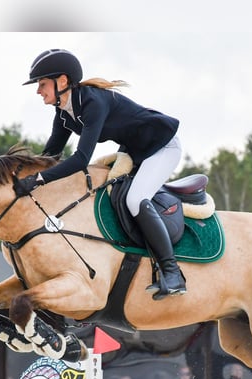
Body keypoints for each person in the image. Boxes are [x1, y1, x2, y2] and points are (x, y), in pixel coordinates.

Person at [16, 48, 186, 299]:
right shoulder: (63, 111)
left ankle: (172, 273)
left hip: (162, 147)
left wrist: (38, 180)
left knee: (135, 199)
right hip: (136, 150)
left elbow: (81, 158)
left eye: (42, 84)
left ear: (62, 81)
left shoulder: (93, 102)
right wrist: (19, 174)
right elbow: (50, 155)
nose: (38, 90)